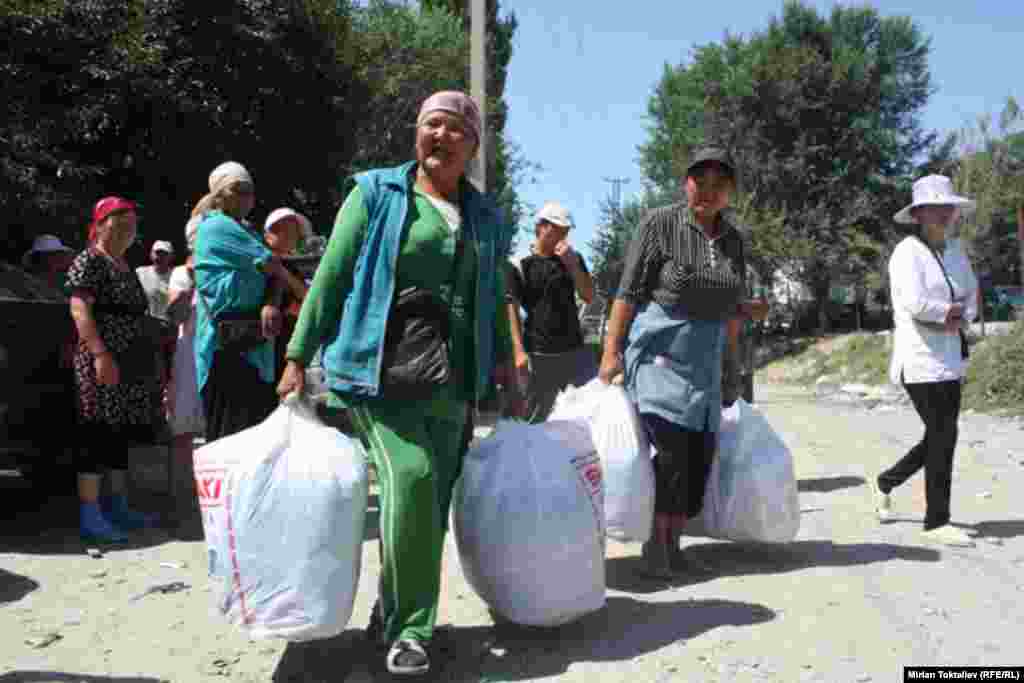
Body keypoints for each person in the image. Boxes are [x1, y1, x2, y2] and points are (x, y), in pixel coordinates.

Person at [276, 91, 515, 677]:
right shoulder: (378, 193)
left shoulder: (485, 215)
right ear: (417, 134)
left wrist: (507, 362)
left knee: (428, 504)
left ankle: (393, 609)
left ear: (473, 146)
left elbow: (494, 298)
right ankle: (412, 631)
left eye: (456, 129)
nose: (441, 135)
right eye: (431, 125)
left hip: (453, 378)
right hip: (380, 370)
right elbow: (331, 276)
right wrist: (298, 353)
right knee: (411, 477)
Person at [598, 146, 768, 579]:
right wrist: (610, 351)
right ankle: (655, 548)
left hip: (706, 362)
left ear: (730, 192)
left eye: (719, 184)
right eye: (700, 181)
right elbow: (629, 291)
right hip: (660, 355)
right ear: (685, 182)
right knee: (671, 453)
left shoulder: (733, 240)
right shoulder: (659, 223)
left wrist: (733, 368)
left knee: (698, 459)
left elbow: (730, 307)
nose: (708, 191)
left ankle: (673, 545)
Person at [876, 174, 978, 548]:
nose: (941, 214)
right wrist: (945, 313)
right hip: (918, 360)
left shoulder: (956, 252)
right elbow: (914, 302)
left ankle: (888, 481)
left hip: (951, 358)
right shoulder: (907, 252)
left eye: (946, 207)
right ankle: (937, 521)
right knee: (943, 434)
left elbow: (971, 294)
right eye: (932, 208)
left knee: (942, 434)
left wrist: (961, 313)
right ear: (917, 214)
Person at [67, 197, 164, 542]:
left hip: (127, 363)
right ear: (100, 223)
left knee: (118, 434)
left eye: (132, 221)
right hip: (100, 359)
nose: (127, 225)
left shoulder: (124, 264)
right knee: (94, 433)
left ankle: (118, 506)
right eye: (118, 219)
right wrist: (100, 354)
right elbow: (80, 310)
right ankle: (90, 514)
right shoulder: (89, 260)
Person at [192, 162, 289, 442]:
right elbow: (272, 263)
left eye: (251, 190)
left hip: (251, 341)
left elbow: (275, 276)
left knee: (253, 430)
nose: (248, 196)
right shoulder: (217, 227)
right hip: (225, 346)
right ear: (221, 194)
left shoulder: (249, 231)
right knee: (230, 433)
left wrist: (271, 302)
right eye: (240, 189)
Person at [504, 201, 597, 422]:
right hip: (538, 353)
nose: (563, 236)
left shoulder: (573, 258)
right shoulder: (519, 263)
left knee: (580, 415)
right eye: (558, 229)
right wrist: (518, 351)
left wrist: (572, 264)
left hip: (574, 352)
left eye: (566, 231)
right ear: (542, 227)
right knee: (533, 419)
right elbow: (511, 308)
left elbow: (589, 296)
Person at [163, 216, 205, 538]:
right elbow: (173, 316)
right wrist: (190, 283)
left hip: (214, 356)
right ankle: (181, 506)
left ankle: (211, 501)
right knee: (182, 434)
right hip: (187, 358)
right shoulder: (180, 273)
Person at [263, 207, 313, 379]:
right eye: (281, 230)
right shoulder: (259, 260)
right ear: (268, 234)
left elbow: (307, 297)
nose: (289, 235)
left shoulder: (292, 266)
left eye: (293, 231)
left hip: (285, 337)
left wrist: (283, 273)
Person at [136, 240, 176, 321]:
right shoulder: (139, 273)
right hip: (143, 322)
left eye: (164, 254)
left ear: (171, 257)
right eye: (157, 253)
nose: (160, 257)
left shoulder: (176, 276)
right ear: (151, 255)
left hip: (167, 325)